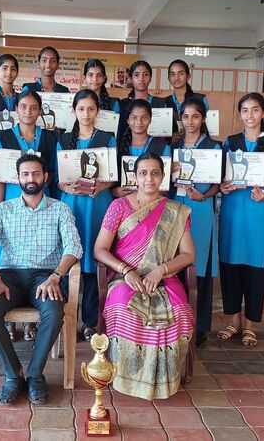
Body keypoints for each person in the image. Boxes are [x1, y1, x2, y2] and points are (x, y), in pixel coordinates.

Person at [0, 154, 82, 405]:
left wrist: (56, 276)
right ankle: (13, 374)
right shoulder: (3, 210)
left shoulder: (61, 209)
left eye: (35, 174)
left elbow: (74, 248)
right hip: (8, 277)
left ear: (45, 177)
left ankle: (35, 374)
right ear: (17, 178)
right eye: (25, 174)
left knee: (54, 313)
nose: (30, 179)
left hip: (45, 278)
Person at [94, 153, 195, 401]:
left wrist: (161, 269)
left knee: (179, 311)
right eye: (143, 173)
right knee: (123, 308)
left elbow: (188, 254)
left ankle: (162, 379)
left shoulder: (175, 211)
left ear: (162, 176)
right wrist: (126, 270)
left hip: (164, 276)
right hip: (126, 277)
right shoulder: (118, 206)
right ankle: (125, 375)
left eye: (155, 173)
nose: (149, 178)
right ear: (134, 176)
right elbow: (100, 249)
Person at [216, 93, 264, 348]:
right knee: (230, 269)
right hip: (233, 211)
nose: (250, 115)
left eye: (255, 110)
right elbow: (221, 175)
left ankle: (250, 325)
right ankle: (233, 321)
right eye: (245, 110)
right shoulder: (231, 142)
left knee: (256, 271)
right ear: (240, 114)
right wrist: (222, 186)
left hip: (258, 214)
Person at [0, 89, 58, 341]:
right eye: (23, 107)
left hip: (41, 203)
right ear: (16, 110)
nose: (28, 112)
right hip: (12, 204)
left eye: (33, 107)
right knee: (12, 257)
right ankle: (10, 322)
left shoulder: (50, 138)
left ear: (40, 111)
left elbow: (54, 172)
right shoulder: (3, 137)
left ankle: (32, 322)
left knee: (37, 253)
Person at [56, 90, 116, 341]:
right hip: (71, 206)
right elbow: (58, 181)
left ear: (97, 112)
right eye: (81, 109)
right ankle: (61, 318)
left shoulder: (107, 138)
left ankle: (90, 322)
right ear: (73, 111)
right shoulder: (64, 140)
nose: (86, 114)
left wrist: (99, 187)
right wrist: (66, 187)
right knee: (67, 259)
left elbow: (112, 176)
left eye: (91, 109)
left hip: (97, 206)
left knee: (93, 262)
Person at [170, 98, 220, 347]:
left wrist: (204, 195)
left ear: (203, 119)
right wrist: (170, 171)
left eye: (195, 117)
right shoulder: (173, 145)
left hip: (201, 209)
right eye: (186, 117)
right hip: (176, 207)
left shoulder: (214, 146)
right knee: (175, 265)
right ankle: (177, 321)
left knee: (199, 267)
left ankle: (199, 327)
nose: (190, 122)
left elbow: (219, 182)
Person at [113, 99, 171, 199]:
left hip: (152, 203)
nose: (139, 122)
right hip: (125, 202)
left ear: (150, 119)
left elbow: (165, 184)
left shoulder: (162, 146)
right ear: (128, 120)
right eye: (134, 118)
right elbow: (112, 179)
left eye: (144, 118)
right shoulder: (117, 146)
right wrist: (114, 191)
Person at [118, 61, 167, 137]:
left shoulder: (161, 103)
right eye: (137, 75)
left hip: (156, 147)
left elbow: (168, 133)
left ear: (150, 78)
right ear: (131, 78)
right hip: (127, 148)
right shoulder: (123, 104)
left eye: (146, 75)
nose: (141, 79)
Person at [164, 60, 210, 137]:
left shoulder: (201, 99)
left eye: (181, 73)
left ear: (188, 76)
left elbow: (208, 126)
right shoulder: (165, 102)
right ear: (169, 78)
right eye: (172, 74)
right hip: (174, 146)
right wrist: (170, 138)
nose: (176, 78)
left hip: (197, 145)